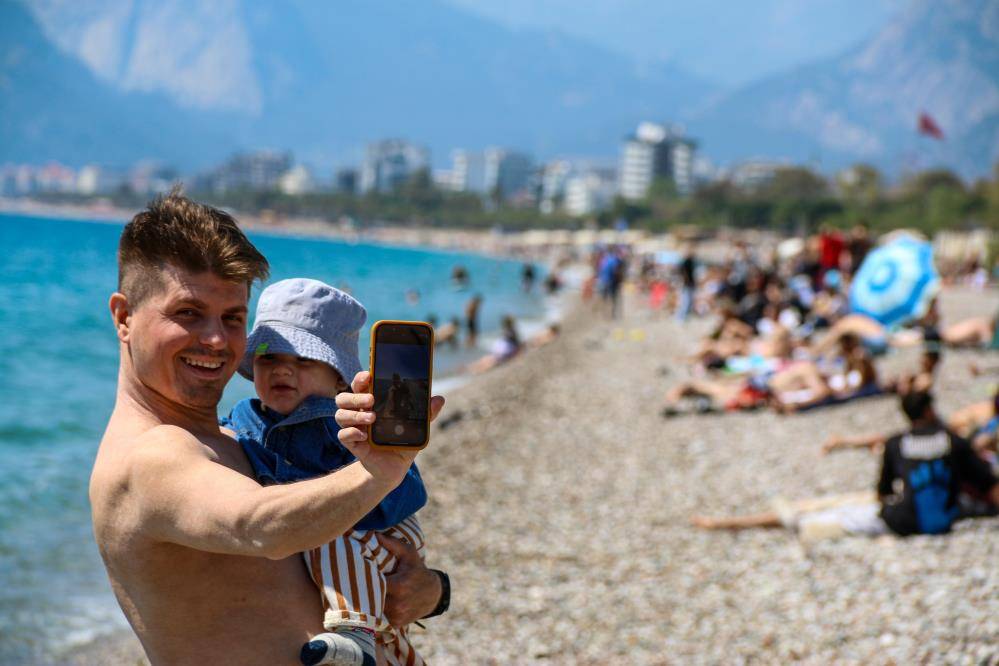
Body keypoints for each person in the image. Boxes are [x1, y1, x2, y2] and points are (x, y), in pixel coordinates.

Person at [90, 193, 447, 665]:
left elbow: (317, 559)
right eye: (188, 313)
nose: (216, 339)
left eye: (233, 318)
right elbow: (260, 527)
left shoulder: (238, 438)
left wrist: (431, 591)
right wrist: (380, 469)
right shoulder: (152, 456)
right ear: (124, 317)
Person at [222, 279, 430, 666]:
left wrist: (370, 473)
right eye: (268, 356)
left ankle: (354, 635)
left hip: (385, 531)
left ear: (338, 377)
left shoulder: (343, 424)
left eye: (303, 358)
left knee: (329, 523)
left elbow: (410, 492)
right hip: (339, 553)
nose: (283, 367)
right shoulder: (239, 422)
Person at [692, 391, 999, 538]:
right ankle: (738, 522)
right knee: (832, 511)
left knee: (824, 515)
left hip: (902, 518)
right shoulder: (953, 441)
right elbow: (986, 481)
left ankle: (739, 523)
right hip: (942, 513)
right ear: (931, 409)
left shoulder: (895, 442)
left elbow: (881, 490)